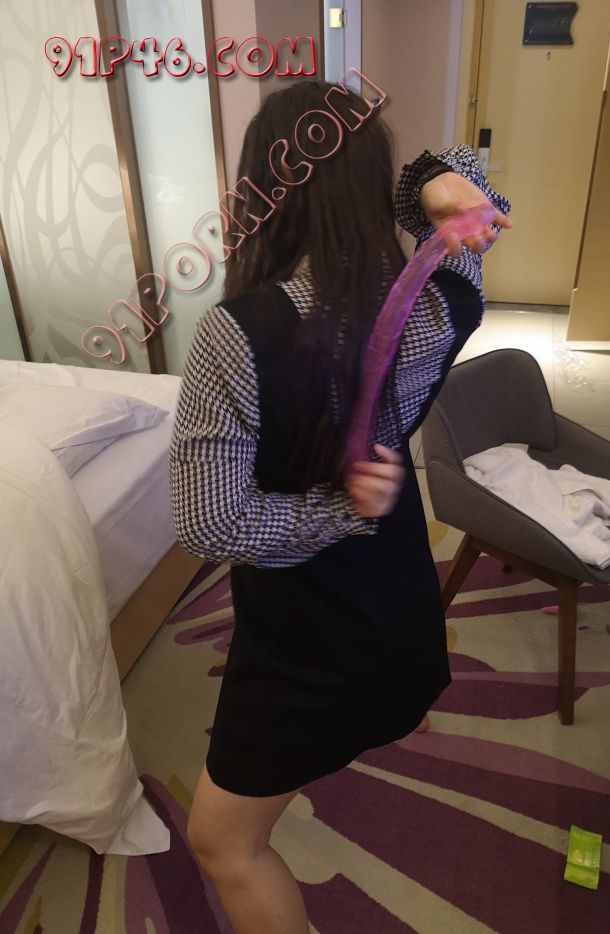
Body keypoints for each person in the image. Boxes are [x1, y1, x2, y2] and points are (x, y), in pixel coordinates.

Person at [169, 78, 511, 933]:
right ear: (373, 189)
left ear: (261, 188)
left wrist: (337, 511)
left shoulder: (235, 334)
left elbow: (212, 523)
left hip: (307, 638)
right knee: (366, 716)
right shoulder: (439, 306)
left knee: (222, 843)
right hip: (398, 604)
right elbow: (467, 190)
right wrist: (433, 180)